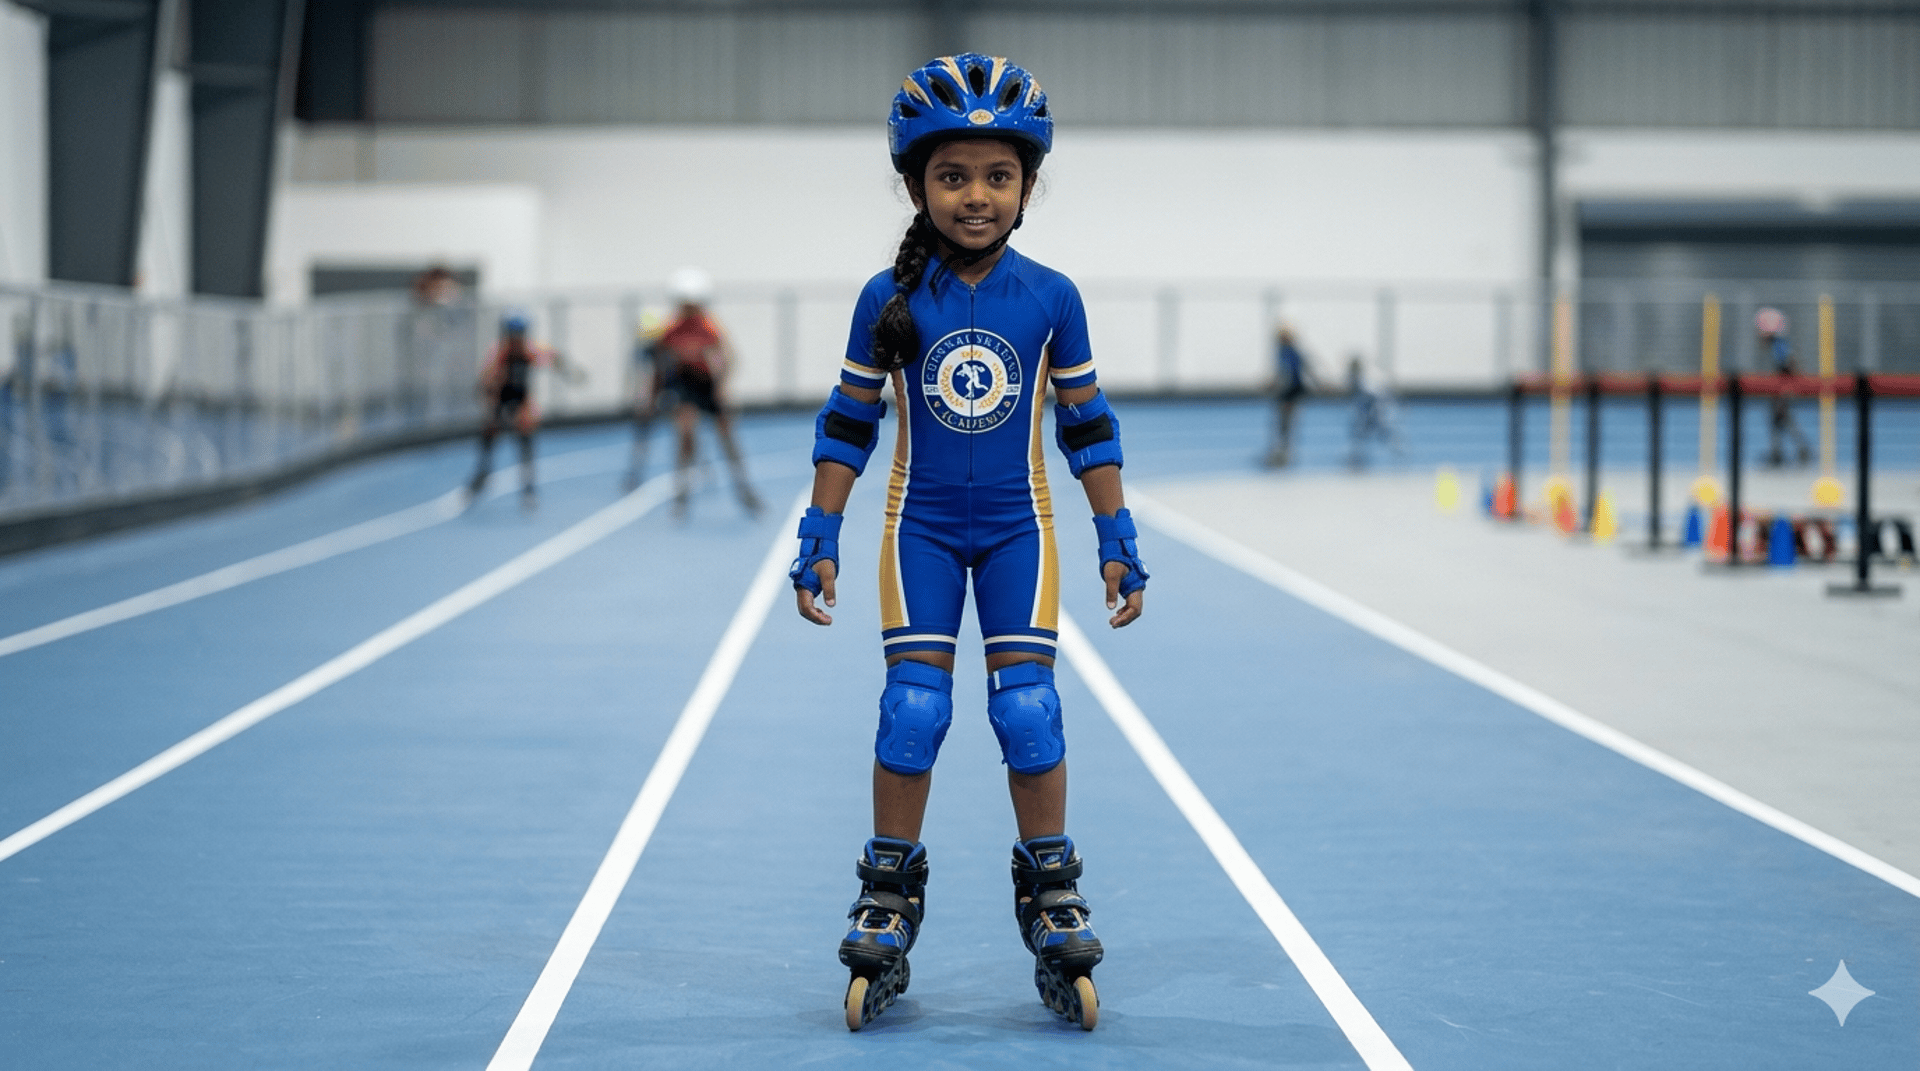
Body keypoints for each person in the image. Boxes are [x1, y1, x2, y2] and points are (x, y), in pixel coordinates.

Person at [789, 53, 1147, 1033]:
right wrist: (820, 529)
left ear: (1028, 185)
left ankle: (1052, 890)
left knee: (1029, 713)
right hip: (924, 531)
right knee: (912, 711)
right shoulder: (888, 299)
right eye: (953, 176)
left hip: (1019, 531)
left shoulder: (1051, 298)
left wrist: (1116, 533)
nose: (976, 196)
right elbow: (848, 423)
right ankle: (889, 893)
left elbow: (1087, 425)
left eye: (998, 176)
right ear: (918, 186)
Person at [639, 268, 762, 515]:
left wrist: (721, 387)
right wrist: (651, 397)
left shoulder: (709, 326)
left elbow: (726, 357)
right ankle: (682, 492)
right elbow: (659, 367)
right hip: (686, 385)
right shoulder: (670, 329)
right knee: (685, 433)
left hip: (708, 384)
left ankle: (744, 488)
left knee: (727, 437)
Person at [466, 311, 574, 508]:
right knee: (489, 432)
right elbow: (486, 378)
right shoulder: (498, 351)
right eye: (512, 335)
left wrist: (568, 372)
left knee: (526, 434)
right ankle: (482, 474)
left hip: (521, 397)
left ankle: (528, 486)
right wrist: (488, 396)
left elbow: (552, 356)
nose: (515, 339)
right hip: (501, 396)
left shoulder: (530, 349)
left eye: (519, 335)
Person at [1757, 307, 1811, 468]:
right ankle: (1787, 452)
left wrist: (1787, 388)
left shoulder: (1779, 345)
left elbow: (1789, 364)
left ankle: (1793, 451)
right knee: (1781, 420)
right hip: (1780, 390)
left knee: (1781, 419)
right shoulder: (1778, 345)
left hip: (1781, 391)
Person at [1265, 324, 1315, 467]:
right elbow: (1281, 373)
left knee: (1286, 423)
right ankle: (1281, 451)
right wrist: (1273, 384)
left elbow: (1298, 372)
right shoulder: (1282, 352)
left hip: (1292, 392)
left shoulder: (1292, 353)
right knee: (1282, 424)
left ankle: (1284, 454)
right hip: (1285, 392)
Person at [1345, 354, 1400, 467]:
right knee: (1359, 434)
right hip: (1364, 411)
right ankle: (1356, 457)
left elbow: (1375, 396)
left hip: (1372, 412)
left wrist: (1375, 411)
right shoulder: (1353, 380)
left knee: (1379, 432)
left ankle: (1397, 452)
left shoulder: (1363, 381)